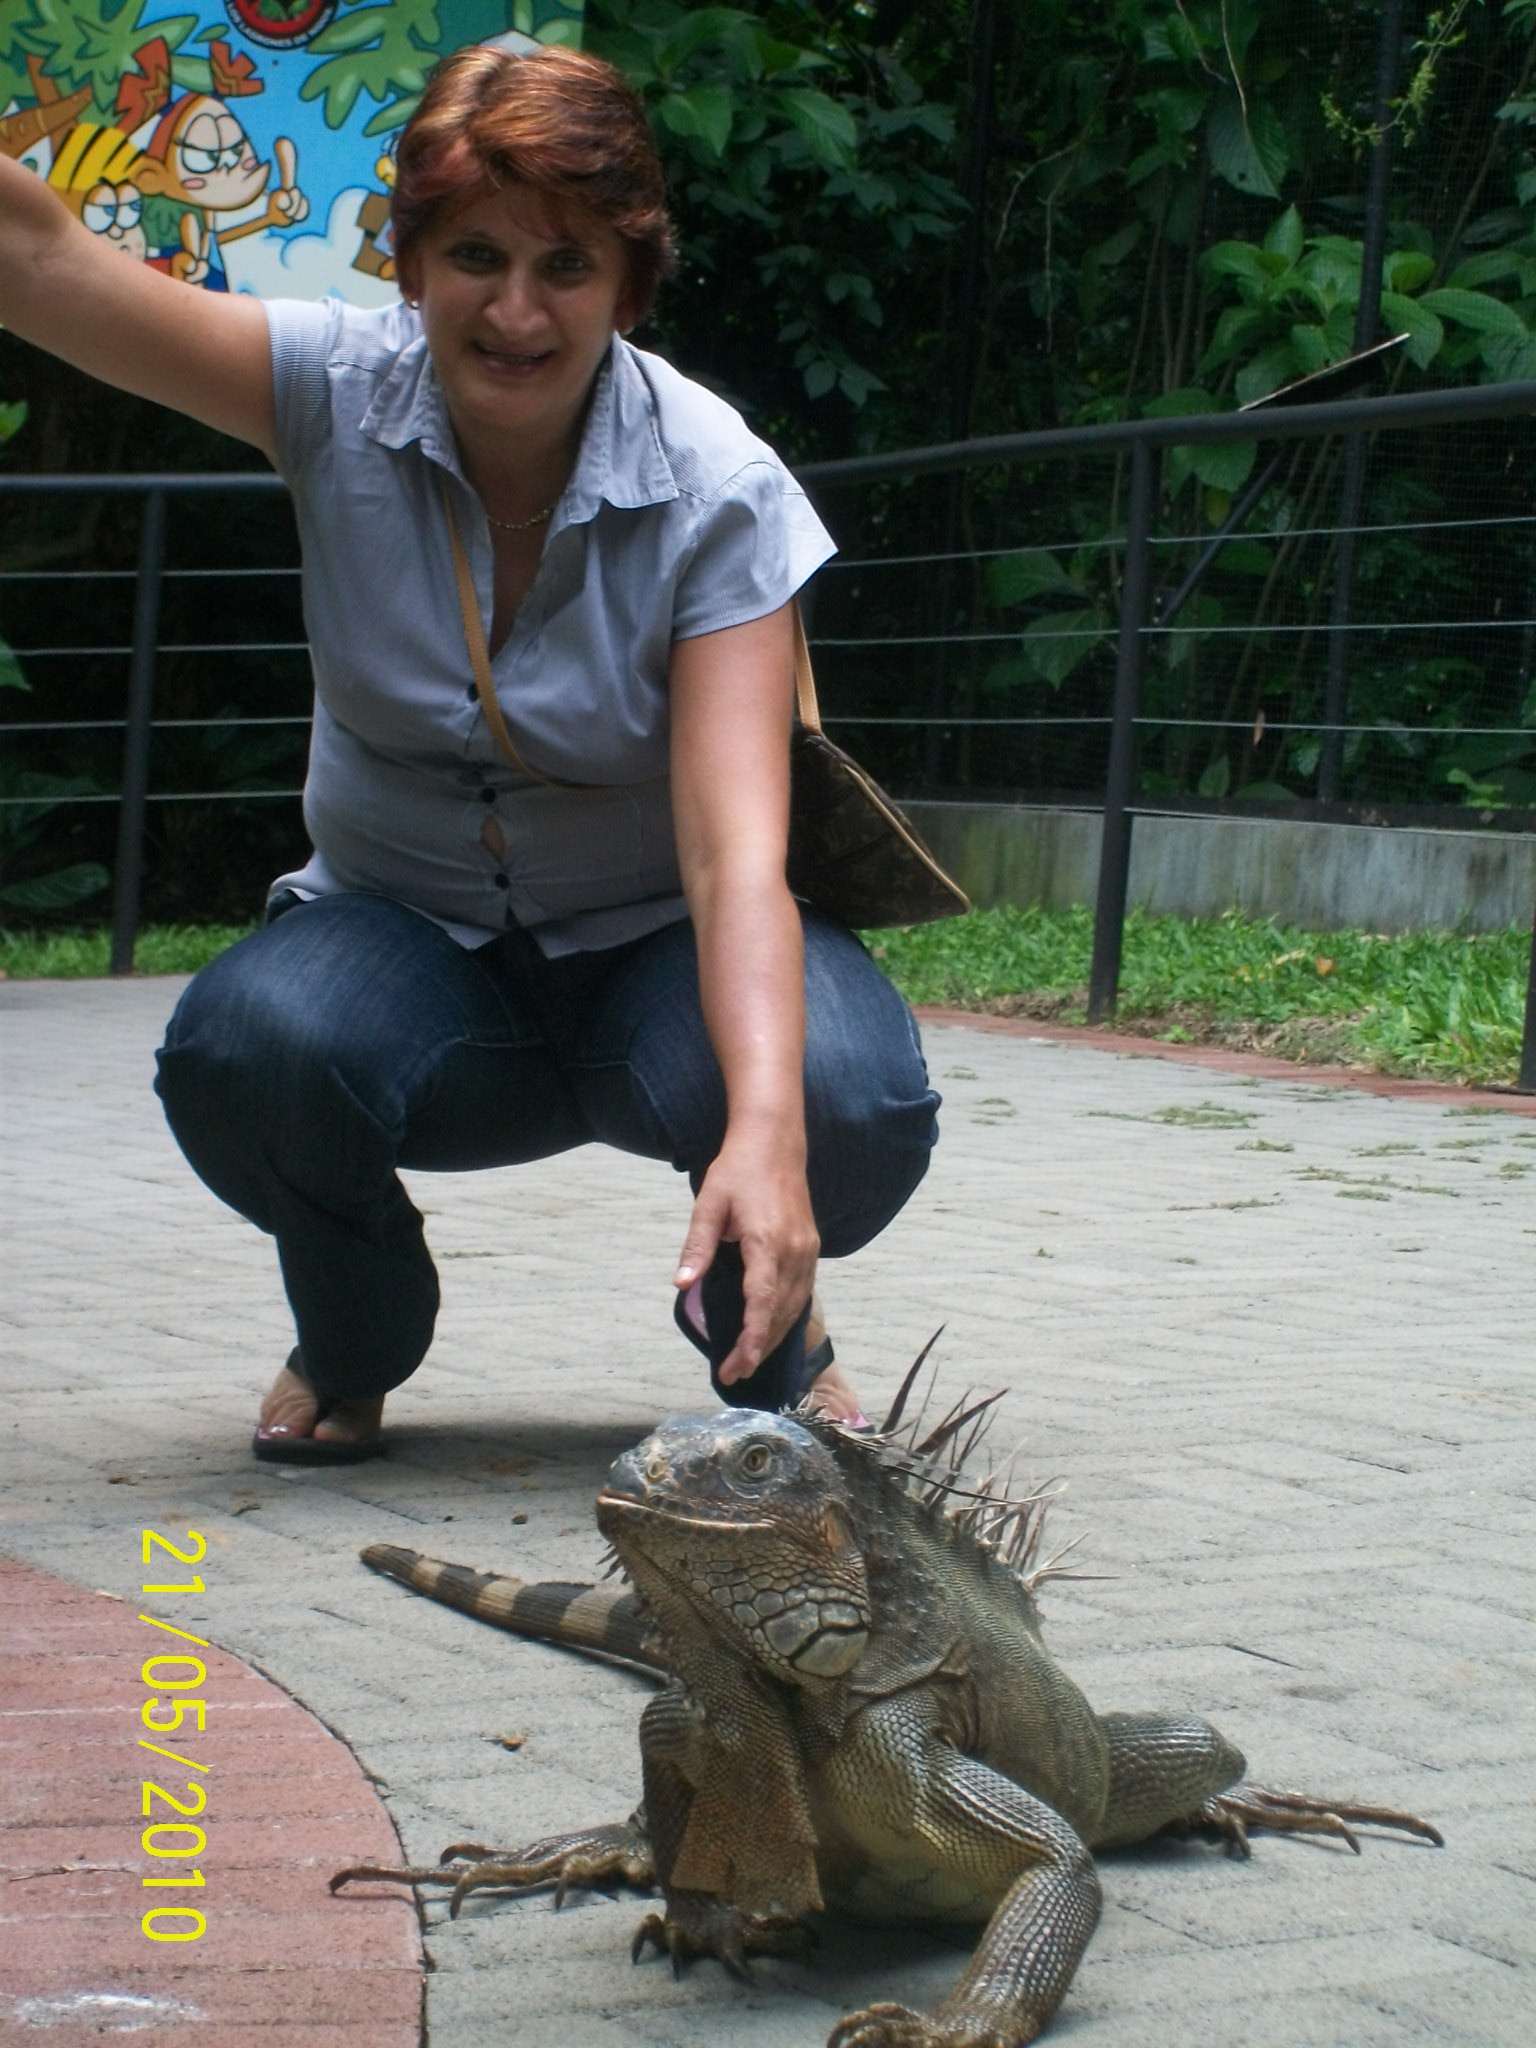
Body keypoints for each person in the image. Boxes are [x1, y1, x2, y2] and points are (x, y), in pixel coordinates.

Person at [0, 44, 939, 1461]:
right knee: (245, 1045)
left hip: (656, 958)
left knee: (840, 1098)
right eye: (475, 255)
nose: (515, 309)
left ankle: (771, 1344)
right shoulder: (328, 392)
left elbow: (736, 853)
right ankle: (356, 1333)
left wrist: (766, 1133)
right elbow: (36, 257)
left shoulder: (716, 484)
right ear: (410, 264)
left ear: (628, 284)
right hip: (401, 947)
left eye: (566, 266)